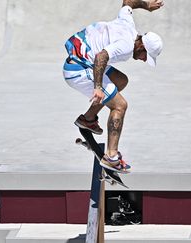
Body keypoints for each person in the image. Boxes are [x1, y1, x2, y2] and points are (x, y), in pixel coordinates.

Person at [63, 0, 164, 172]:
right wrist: (98, 87)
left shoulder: (128, 23)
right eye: (144, 56)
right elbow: (101, 57)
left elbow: (128, 2)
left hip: (82, 59)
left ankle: (87, 120)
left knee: (121, 80)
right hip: (78, 69)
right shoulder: (125, 47)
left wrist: (147, 5)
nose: (142, 59)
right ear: (141, 45)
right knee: (120, 105)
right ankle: (111, 156)